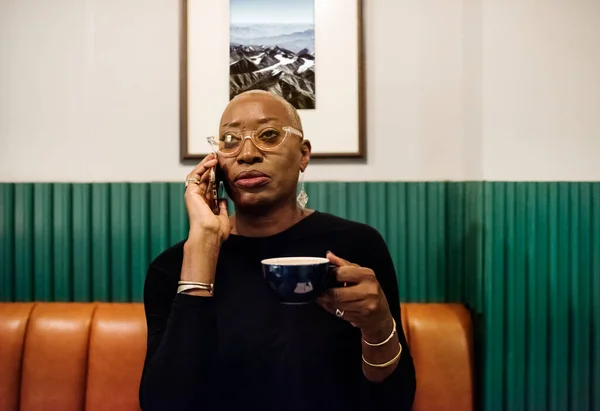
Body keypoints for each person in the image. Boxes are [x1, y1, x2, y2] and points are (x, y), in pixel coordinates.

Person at [138, 90, 416, 411]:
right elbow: (162, 403)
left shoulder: (355, 246)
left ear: (303, 154)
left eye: (268, 135)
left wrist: (379, 326)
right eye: (230, 139)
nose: (247, 154)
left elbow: (396, 399)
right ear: (216, 164)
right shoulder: (173, 268)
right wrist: (202, 245)